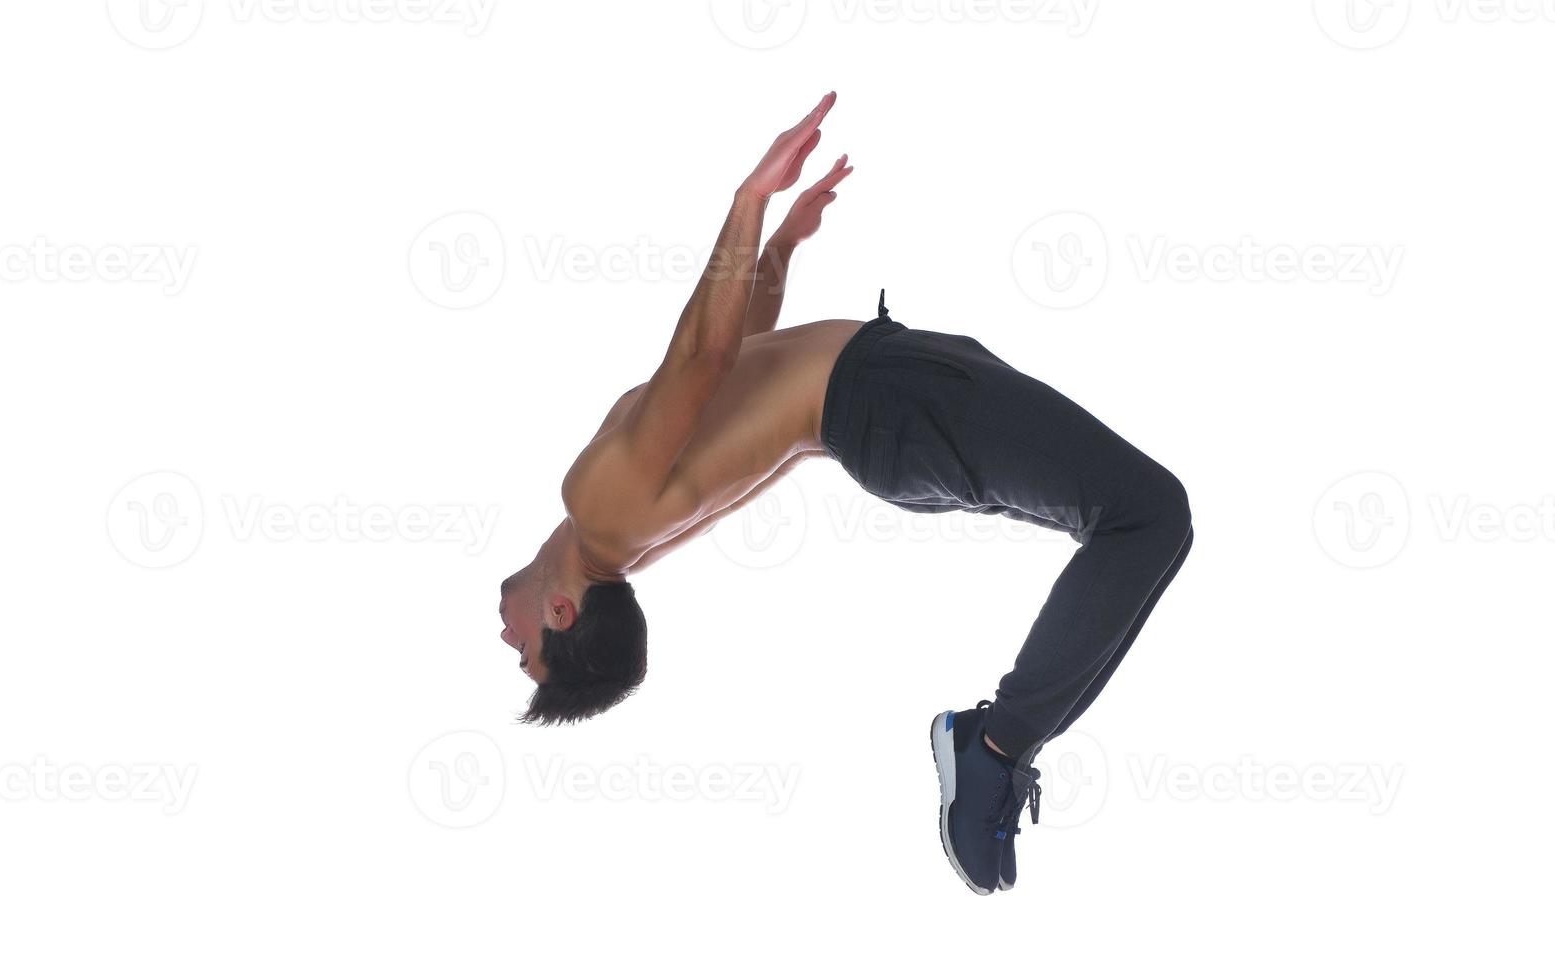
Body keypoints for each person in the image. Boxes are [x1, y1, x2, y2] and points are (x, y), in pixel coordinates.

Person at [495, 93, 1191, 894]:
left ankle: (1003, 747)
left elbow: (735, 365)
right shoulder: (603, 514)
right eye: (525, 654)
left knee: (1143, 516)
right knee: (1146, 514)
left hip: (887, 401)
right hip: (889, 403)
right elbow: (700, 360)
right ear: (561, 615)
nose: (505, 638)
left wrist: (782, 247)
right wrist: (750, 202)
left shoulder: (621, 530)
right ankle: (993, 749)